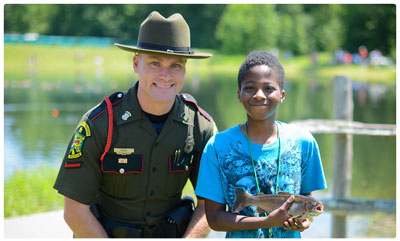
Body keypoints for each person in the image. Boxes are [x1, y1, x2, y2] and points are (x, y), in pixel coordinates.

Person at [53, 11, 217, 238]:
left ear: (185, 69)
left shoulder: (201, 126)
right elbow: (74, 211)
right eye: (155, 63)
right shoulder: (100, 123)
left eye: (176, 65)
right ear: (136, 63)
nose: (165, 75)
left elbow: (209, 205)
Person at [195, 50, 327, 238]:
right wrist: (266, 222)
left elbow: (307, 201)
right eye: (250, 88)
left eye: (268, 88)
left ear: (282, 95)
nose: (258, 95)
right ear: (239, 94)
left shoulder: (304, 142)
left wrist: (304, 221)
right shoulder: (217, 146)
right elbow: (214, 219)